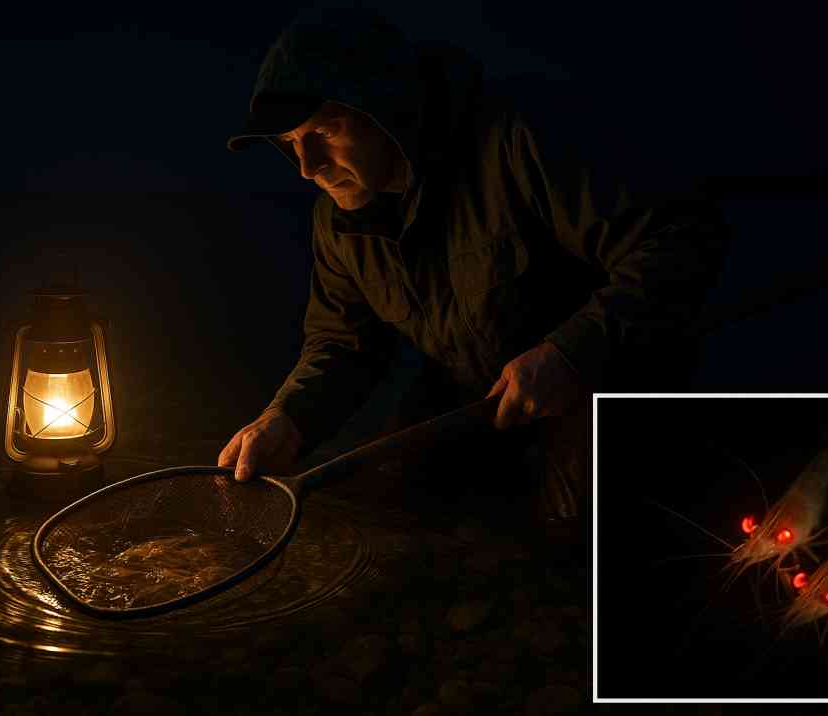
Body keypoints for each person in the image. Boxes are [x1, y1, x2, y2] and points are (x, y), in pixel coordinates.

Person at [219, 8, 728, 543]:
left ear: (385, 106)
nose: (307, 165)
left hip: (605, 379)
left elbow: (679, 238)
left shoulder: (520, 135)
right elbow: (344, 341)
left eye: (323, 130)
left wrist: (572, 352)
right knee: (402, 505)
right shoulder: (338, 219)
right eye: (289, 143)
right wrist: (289, 417)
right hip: (477, 390)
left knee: (573, 529)